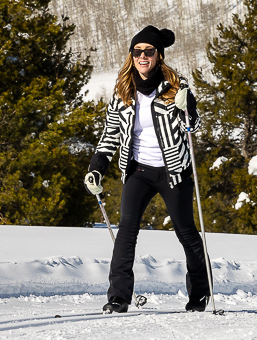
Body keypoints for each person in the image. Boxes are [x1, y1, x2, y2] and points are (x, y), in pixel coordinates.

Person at [84, 25, 211, 314]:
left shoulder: (176, 87)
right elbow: (111, 133)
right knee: (126, 230)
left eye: (149, 51)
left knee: (186, 232)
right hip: (138, 170)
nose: (143, 56)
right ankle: (118, 297)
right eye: (138, 51)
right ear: (132, 55)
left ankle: (200, 294)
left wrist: (186, 107)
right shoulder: (123, 90)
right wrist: (97, 168)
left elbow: (193, 127)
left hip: (173, 171)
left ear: (159, 55)